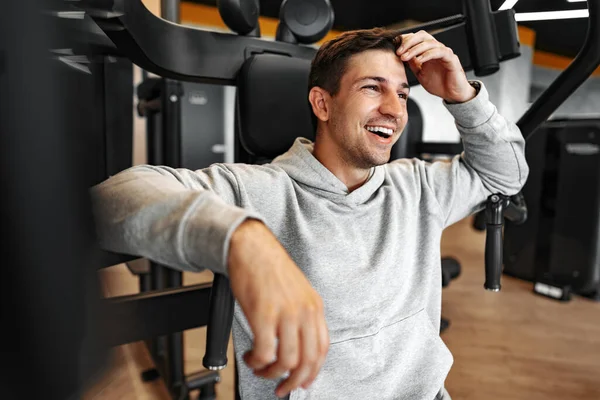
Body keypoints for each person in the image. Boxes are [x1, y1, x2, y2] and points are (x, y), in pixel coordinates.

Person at [91, 28, 529, 400]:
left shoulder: (419, 186)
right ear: (321, 104)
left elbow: (508, 175)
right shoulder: (256, 190)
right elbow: (111, 199)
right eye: (372, 88)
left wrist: (462, 96)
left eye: (402, 94)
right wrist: (241, 239)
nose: (395, 111)